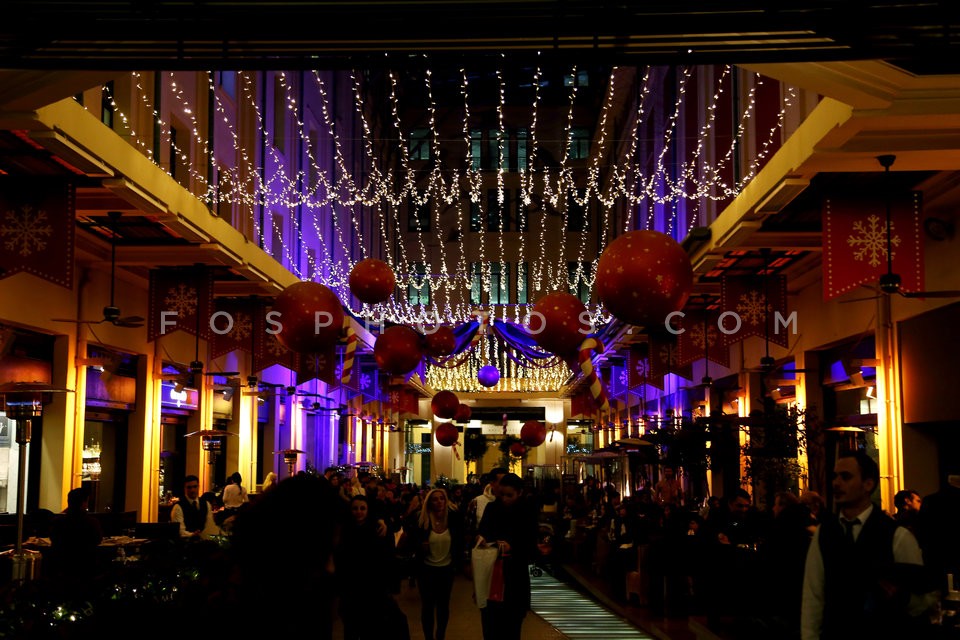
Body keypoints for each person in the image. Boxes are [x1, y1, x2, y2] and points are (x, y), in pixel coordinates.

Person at [801, 452, 936, 639]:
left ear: (868, 484)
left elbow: (925, 599)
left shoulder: (897, 535)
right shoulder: (825, 533)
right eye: (835, 476)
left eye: (845, 477)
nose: (836, 483)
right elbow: (813, 594)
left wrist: (901, 598)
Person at [335, 495, 409, 640]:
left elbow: (385, 558)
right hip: (351, 588)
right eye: (355, 508)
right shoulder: (345, 530)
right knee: (351, 627)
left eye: (362, 508)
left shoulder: (376, 530)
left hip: (372, 588)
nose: (359, 512)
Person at [476, 473, 538, 640]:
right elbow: (483, 532)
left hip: (515, 578)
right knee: (491, 629)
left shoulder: (527, 511)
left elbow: (531, 545)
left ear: (520, 493)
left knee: (512, 629)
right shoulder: (492, 508)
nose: (504, 499)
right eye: (502, 494)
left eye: (509, 495)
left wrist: (513, 547)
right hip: (491, 575)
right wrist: (483, 540)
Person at [406, 488, 463, 640]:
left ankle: (440, 635)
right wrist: (420, 545)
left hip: (446, 569)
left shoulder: (453, 518)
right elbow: (411, 540)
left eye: (441, 498)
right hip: (426, 570)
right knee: (428, 606)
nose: (439, 502)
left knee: (443, 606)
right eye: (435, 499)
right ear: (429, 502)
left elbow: (459, 540)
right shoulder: (422, 519)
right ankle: (429, 637)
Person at [49, 486, 102, 576]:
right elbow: (97, 540)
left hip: (62, 566)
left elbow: (53, 539)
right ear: (84, 503)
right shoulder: (92, 522)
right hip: (86, 566)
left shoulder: (57, 522)